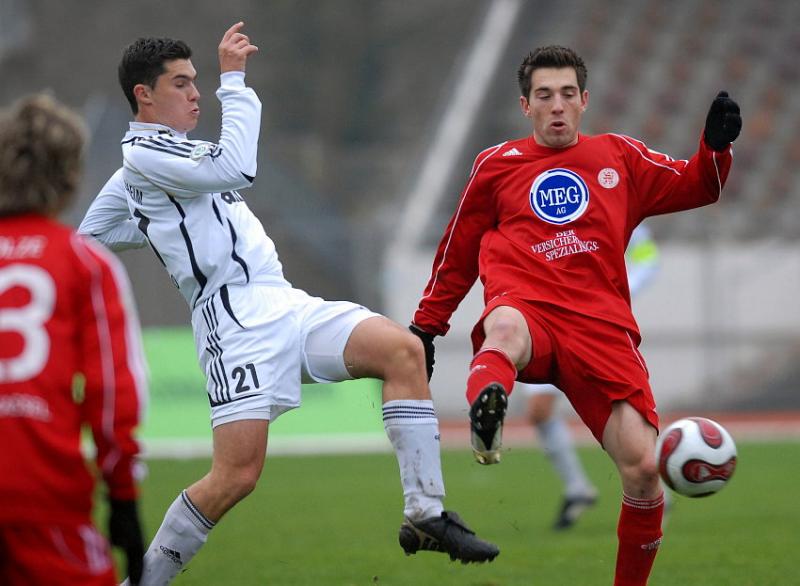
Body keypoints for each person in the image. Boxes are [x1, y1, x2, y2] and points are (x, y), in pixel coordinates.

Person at [79, 23, 498, 584]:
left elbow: (90, 239)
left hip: (284, 301)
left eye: (198, 81)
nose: (196, 93)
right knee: (235, 477)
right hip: (233, 324)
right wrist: (234, 81)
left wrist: (156, 228)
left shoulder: (176, 156)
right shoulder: (141, 157)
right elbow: (236, 170)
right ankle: (142, 581)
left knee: (402, 351)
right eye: (181, 83)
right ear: (144, 96)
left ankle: (424, 514)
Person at [409, 46, 740, 585]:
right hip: (529, 307)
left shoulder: (619, 156)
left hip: (601, 328)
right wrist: (427, 325)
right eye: (544, 96)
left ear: (584, 100)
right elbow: (458, 250)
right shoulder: (496, 166)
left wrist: (716, 147)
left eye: (567, 94)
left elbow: (698, 185)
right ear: (526, 105)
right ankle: (485, 417)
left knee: (641, 469)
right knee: (505, 328)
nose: (557, 106)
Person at [0, 94, 147, 585]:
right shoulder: (84, 263)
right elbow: (112, 396)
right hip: (43, 494)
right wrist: (123, 497)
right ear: (69, 173)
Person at [519, 224, 660, 530]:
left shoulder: (609, 193)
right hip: (545, 317)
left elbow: (648, 258)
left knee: (620, 409)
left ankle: (650, 480)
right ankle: (578, 488)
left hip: (597, 323)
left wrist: (613, 292)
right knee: (538, 412)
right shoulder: (539, 197)